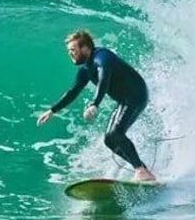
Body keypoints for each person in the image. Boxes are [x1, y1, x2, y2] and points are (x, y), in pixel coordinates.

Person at [36, 29, 157, 182]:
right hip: (125, 100)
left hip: (136, 95)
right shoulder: (85, 69)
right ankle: (143, 170)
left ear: (85, 48)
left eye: (73, 50)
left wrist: (95, 104)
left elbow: (104, 78)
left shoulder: (102, 56)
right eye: (69, 51)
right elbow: (72, 92)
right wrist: (52, 110)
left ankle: (140, 170)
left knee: (116, 134)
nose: (70, 54)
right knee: (110, 140)